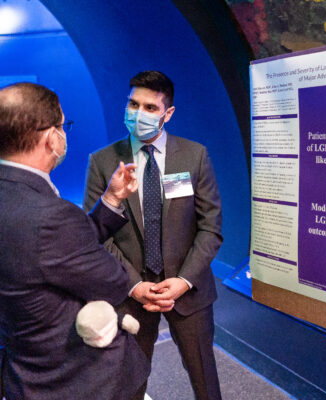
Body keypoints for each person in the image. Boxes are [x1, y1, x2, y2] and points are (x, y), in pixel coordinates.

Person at [0, 82, 150, 400]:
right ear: (50, 137)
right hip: (78, 379)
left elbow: (50, 253)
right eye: (62, 125)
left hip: (24, 374)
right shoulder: (52, 216)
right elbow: (112, 282)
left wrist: (110, 200)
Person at [84, 70, 223, 400]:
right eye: (133, 104)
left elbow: (210, 227)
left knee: (205, 381)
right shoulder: (103, 162)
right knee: (129, 386)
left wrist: (183, 280)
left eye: (150, 107)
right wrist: (135, 285)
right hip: (130, 293)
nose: (139, 114)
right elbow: (98, 236)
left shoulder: (194, 156)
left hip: (188, 292)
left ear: (168, 113)